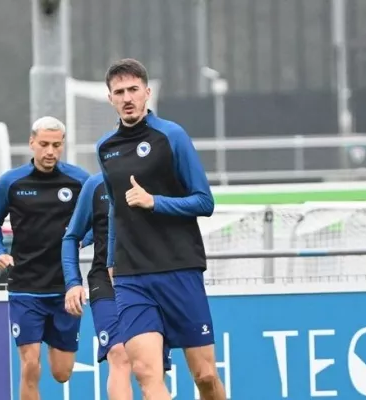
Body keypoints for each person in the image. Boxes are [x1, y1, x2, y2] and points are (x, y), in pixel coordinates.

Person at [95, 58, 226, 400]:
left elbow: (204, 202)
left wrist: (156, 202)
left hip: (179, 268)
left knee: (206, 375)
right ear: (110, 98)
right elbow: (114, 209)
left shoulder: (171, 136)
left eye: (133, 90)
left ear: (147, 92)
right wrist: (112, 259)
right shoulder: (105, 148)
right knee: (145, 372)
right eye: (119, 92)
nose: (127, 98)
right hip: (132, 276)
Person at [0, 116, 90, 400]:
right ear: (32, 143)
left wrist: (83, 240)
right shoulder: (11, 182)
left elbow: (100, 220)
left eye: (56, 145)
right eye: (43, 144)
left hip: (65, 289)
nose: (50, 152)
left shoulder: (80, 180)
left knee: (61, 372)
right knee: (30, 364)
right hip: (25, 287)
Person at [62, 172, 172, 400]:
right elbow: (71, 236)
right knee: (118, 352)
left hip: (150, 281)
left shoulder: (162, 175)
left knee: (150, 368)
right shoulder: (95, 184)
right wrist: (73, 283)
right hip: (106, 281)